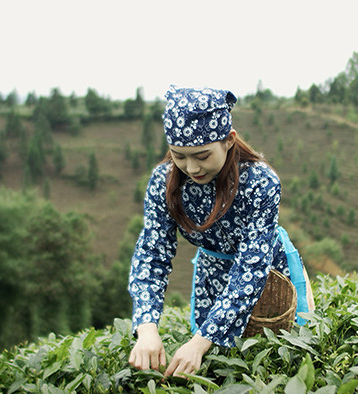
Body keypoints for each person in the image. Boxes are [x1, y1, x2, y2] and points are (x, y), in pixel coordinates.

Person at [127, 85, 314, 378]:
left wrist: (200, 342)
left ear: (229, 140)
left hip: (267, 273)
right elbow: (152, 254)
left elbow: (252, 267)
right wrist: (147, 328)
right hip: (212, 273)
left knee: (273, 362)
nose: (191, 168)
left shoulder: (260, 181)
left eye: (202, 156)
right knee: (218, 368)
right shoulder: (163, 182)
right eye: (179, 156)